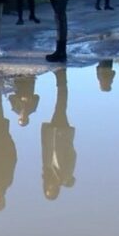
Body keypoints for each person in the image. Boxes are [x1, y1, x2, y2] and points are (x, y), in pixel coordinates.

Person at [41, 68, 76, 200]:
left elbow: (45, 152)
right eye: (52, 189)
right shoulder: (65, 174)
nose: (51, 186)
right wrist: (67, 139)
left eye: (48, 188)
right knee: (61, 106)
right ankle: (61, 80)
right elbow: (72, 155)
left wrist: (45, 133)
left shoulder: (47, 172)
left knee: (60, 106)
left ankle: (61, 80)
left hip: (52, 135)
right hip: (62, 134)